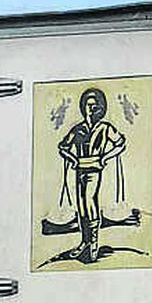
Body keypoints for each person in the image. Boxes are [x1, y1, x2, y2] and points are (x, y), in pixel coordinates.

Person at [56, 87, 127, 264]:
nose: (91, 108)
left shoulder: (105, 127)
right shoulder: (78, 129)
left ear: (101, 108)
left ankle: (93, 243)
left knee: (89, 202)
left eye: (95, 105)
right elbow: (63, 147)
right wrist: (72, 158)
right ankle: (84, 241)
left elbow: (120, 143)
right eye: (88, 105)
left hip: (94, 168)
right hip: (79, 168)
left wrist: (105, 157)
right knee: (81, 206)